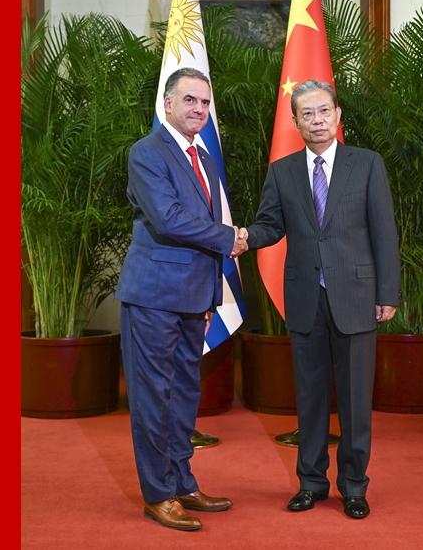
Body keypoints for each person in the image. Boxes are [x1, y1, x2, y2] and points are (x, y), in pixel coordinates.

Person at [243, 79, 400, 520]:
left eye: (324, 111)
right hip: (304, 297)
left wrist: (387, 292)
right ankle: (311, 483)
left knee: (355, 400)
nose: (317, 120)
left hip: (357, 297)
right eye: (307, 114)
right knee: (310, 398)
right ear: (295, 122)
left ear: (337, 114)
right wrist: (243, 237)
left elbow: (384, 231)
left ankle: (354, 487)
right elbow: (269, 225)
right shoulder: (283, 171)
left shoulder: (366, 164)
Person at [115, 67, 249, 531]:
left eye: (205, 102)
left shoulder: (205, 159)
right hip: (154, 295)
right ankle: (158, 494)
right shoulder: (147, 152)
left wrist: (212, 294)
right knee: (153, 396)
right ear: (167, 104)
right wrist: (230, 237)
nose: (199, 109)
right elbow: (168, 219)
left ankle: (182, 482)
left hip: (194, 297)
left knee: (184, 394)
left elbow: (201, 230)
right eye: (190, 100)